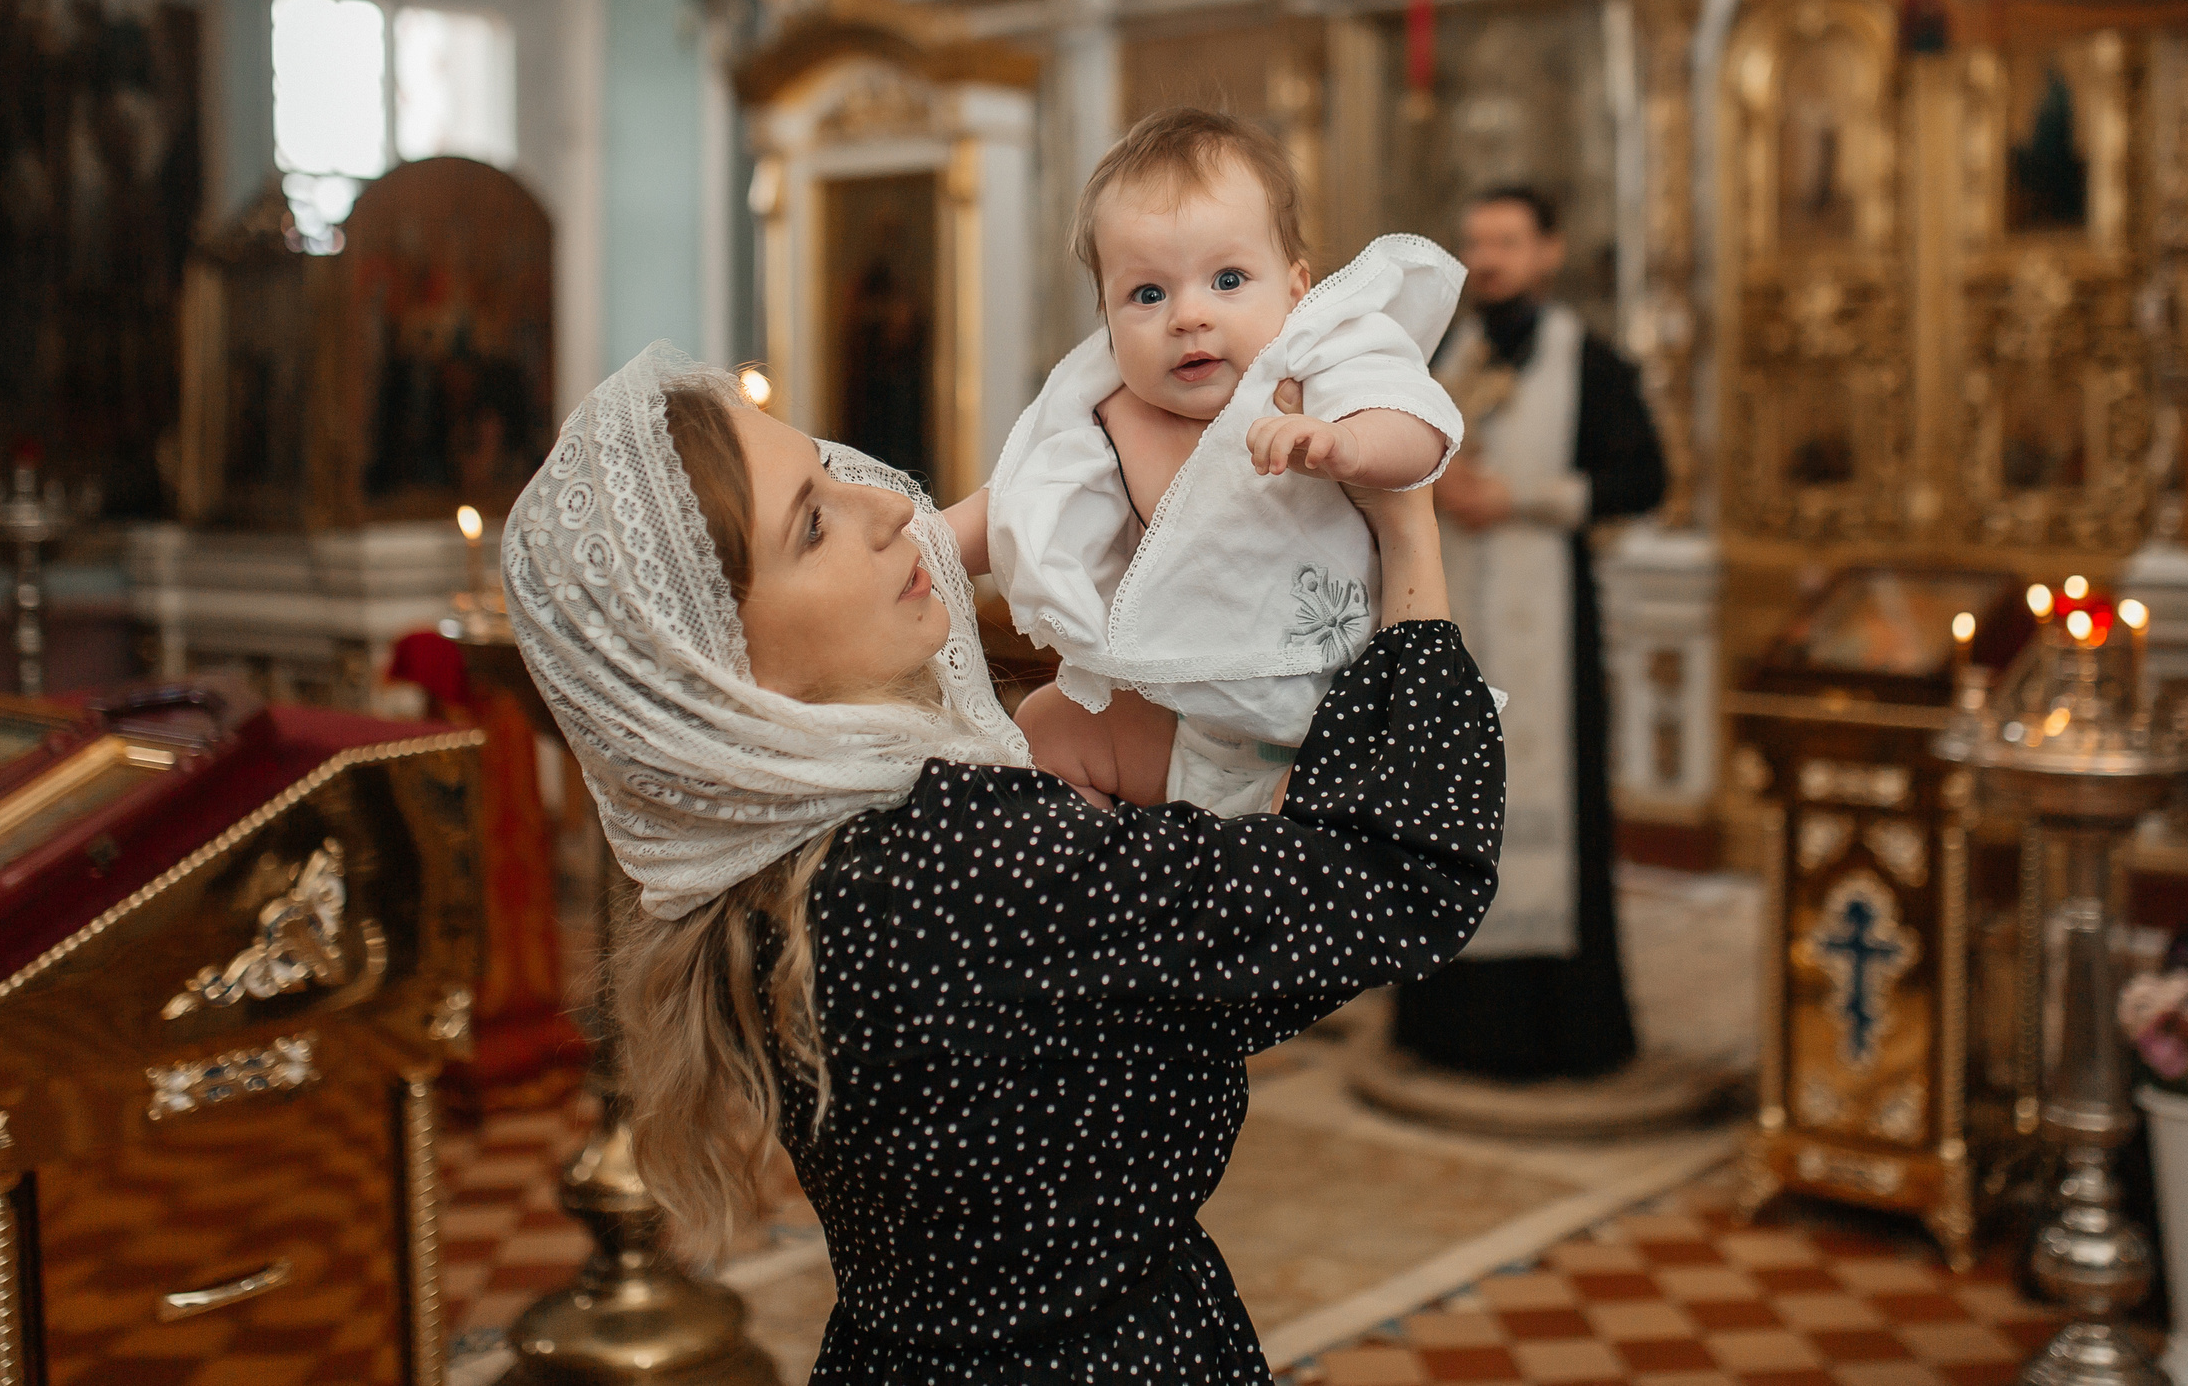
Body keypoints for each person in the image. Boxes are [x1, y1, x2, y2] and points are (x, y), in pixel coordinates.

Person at [502, 341, 1502, 1383]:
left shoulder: (786, 856)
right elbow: (1398, 877)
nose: (885, 508)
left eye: (835, 472)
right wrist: (1403, 526)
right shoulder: (962, 860)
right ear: (712, 667)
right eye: (812, 523)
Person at [943, 107, 1464, 818]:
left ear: (1296, 286)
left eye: (1227, 279)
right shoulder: (1107, 413)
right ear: (1105, 316)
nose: (1188, 315)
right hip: (1189, 728)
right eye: (1147, 294)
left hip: (1332, 726)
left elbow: (1420, 433)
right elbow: (1011, 506)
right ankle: (1112, 871)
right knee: (1045, 722)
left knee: (1327, 843)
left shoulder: (1317, 360)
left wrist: (1349, 444)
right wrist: (923, 540)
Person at [1393, 184, 1666, 1081]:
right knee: (1445, 800)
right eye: (1477, 242)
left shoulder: (1592, 363)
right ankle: (1446, 1023)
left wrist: (1526, 500)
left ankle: (1562, 1030)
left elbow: (1643, 480)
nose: (1492, 258)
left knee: (1552, 802)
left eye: (1509, 240)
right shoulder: (1442, 357)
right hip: (1455, 611)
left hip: (1552, 614)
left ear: (1548, 251)